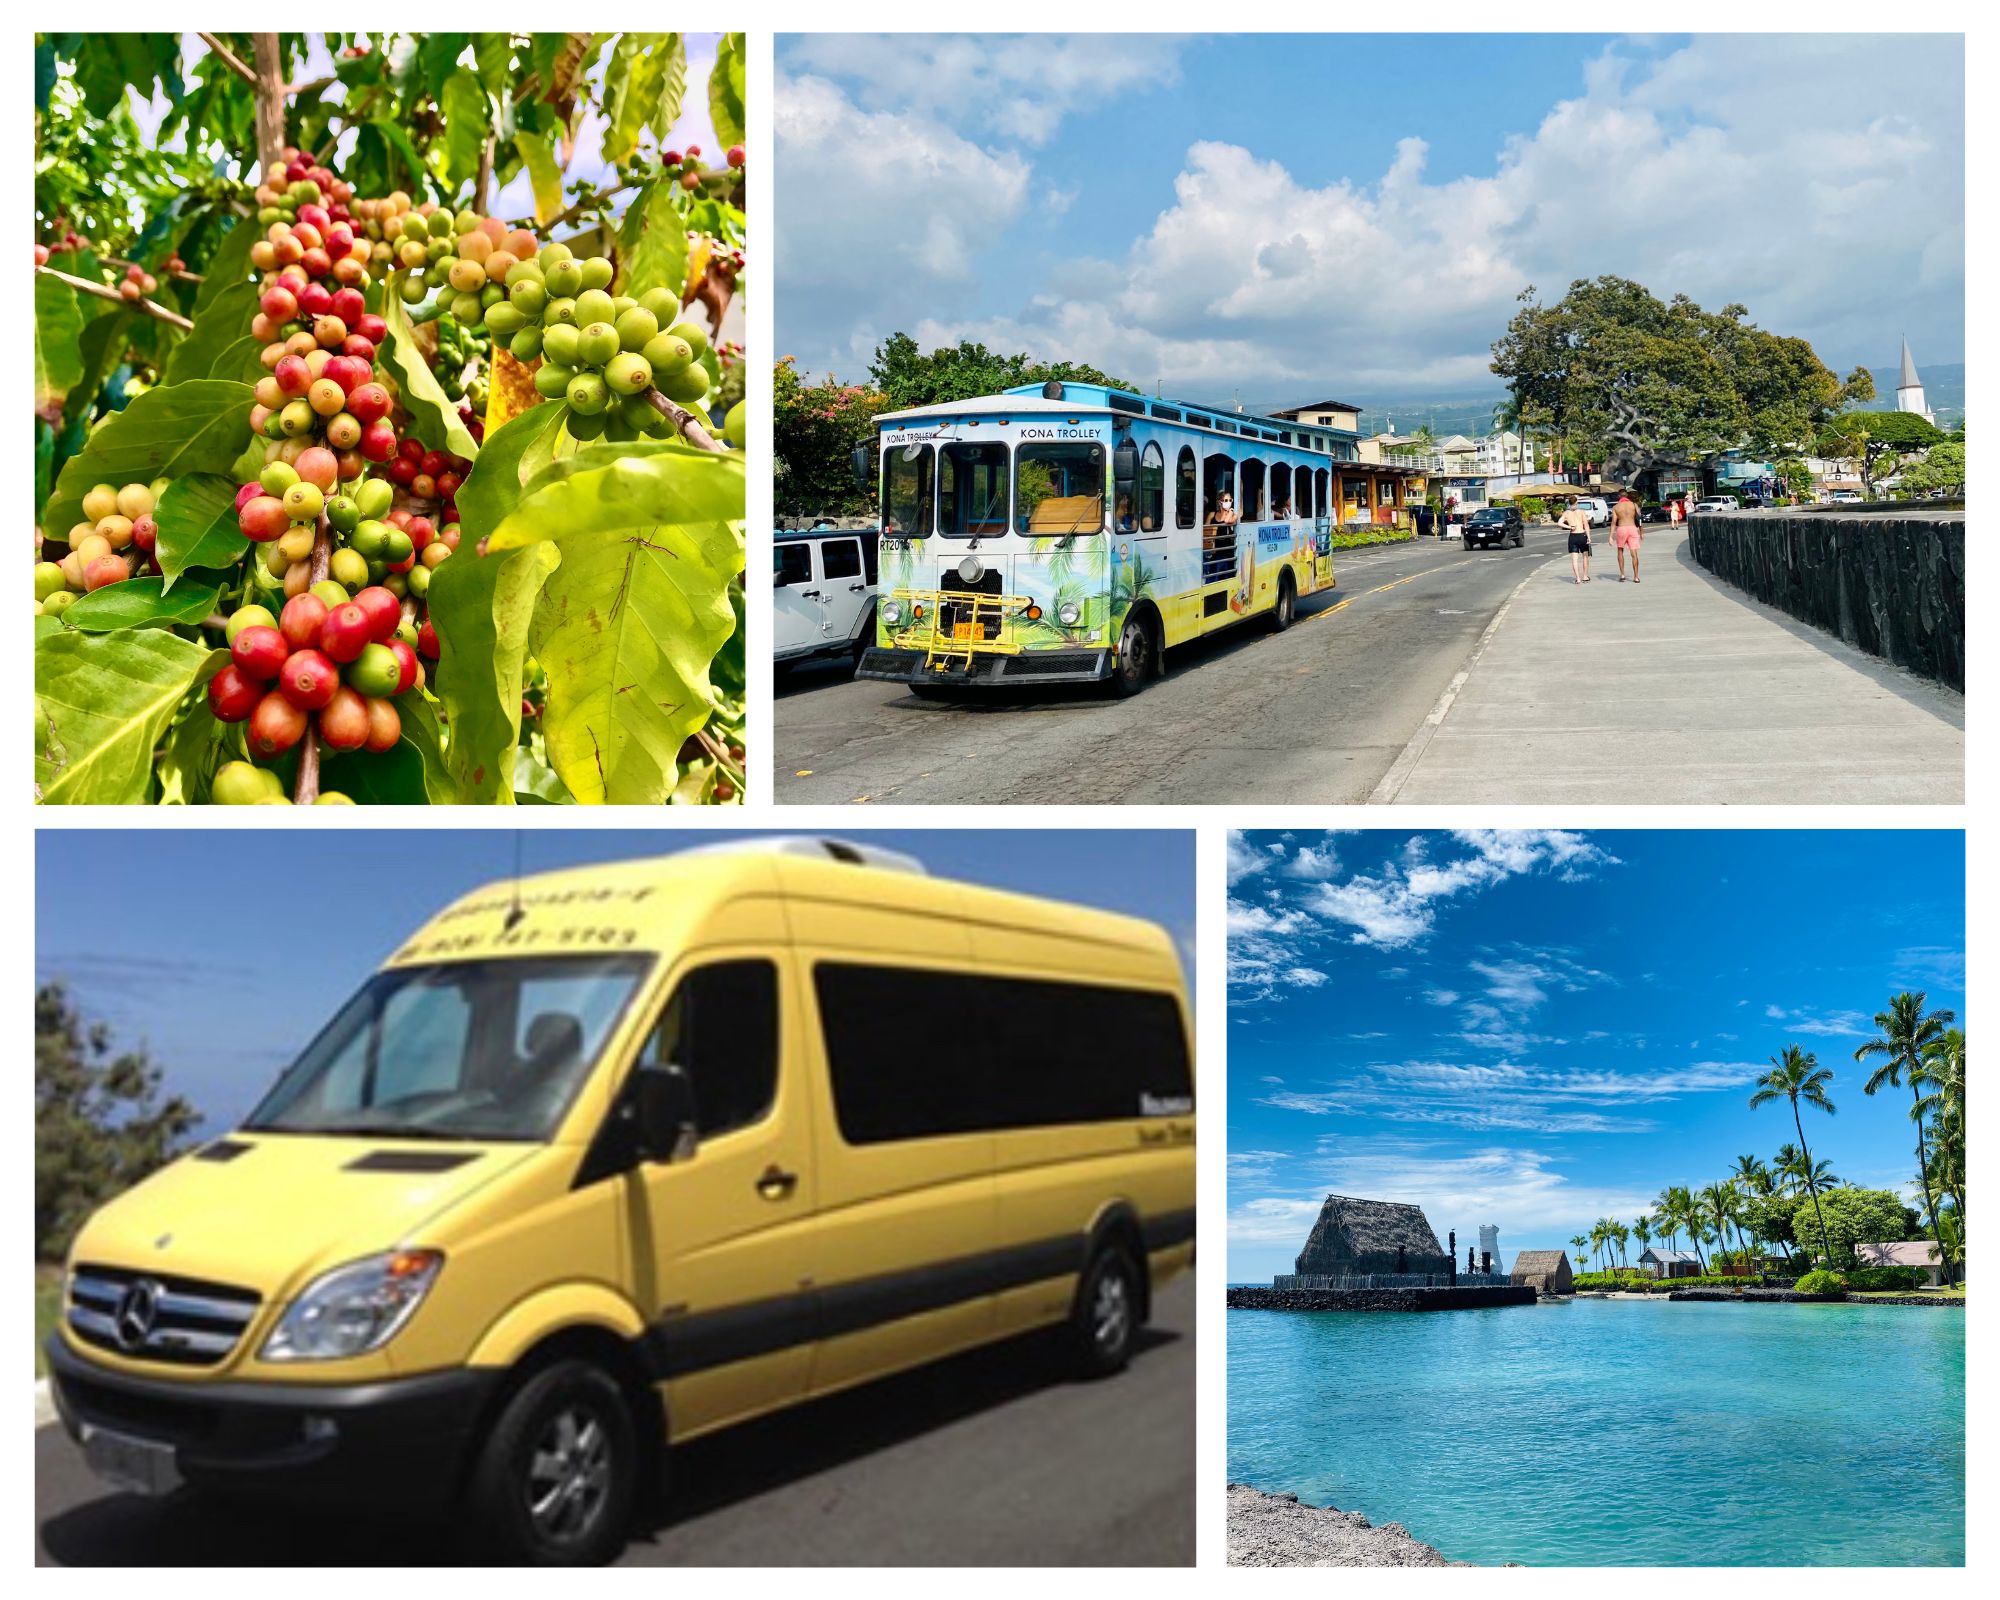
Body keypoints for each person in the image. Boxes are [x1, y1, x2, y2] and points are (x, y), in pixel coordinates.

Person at [1610, 491, 1643, 582]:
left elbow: (1613, 522)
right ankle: (1636, 577)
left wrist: (1610, 536)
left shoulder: (1616, 507)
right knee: (1634, 554)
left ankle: (1622, 575)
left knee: (1620, 551)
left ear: (1619, 496)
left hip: (1621, 528)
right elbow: (1639, 519)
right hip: (1632, 528)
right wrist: (1641, 532)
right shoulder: (1634, 505)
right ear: (1627, 496)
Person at [1559, 500, 1592, 583]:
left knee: (1574, 559)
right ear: (1576, 503)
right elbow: (1586, 525)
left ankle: (1577, 578)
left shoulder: (1566, 513)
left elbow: (1559, 523)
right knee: (1585, 556)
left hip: (1573, 536)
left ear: (1569, 504)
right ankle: (1585, 576)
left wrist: (1569, 527)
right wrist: (1588, 537)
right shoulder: (1581, 512)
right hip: (1582, 535)